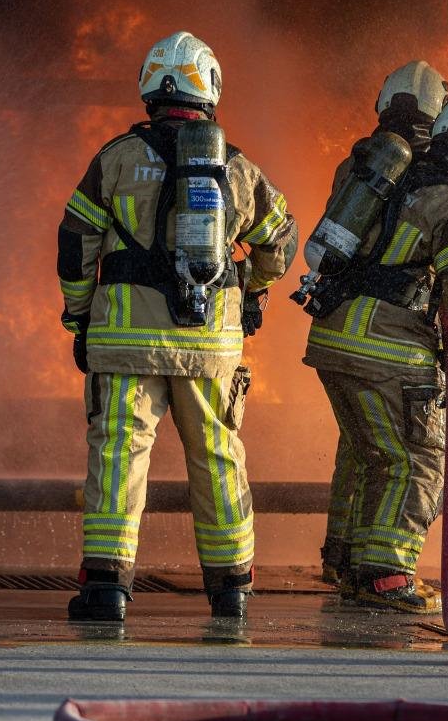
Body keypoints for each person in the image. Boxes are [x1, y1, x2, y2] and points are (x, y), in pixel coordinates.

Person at [56, 31, 298, 622]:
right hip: (208, 341)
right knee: (217, 453)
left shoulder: (113, 157)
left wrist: (78, 314)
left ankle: (106, 588)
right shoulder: (236, 168)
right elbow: (282, 241)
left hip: (124, 341)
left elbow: (74, 242)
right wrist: (254, 289)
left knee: (118, 454)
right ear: (210, 89)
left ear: (149, 87)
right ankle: (231, 588)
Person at [300, 67, 448, 614]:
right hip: (388, 346)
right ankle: (386, 573)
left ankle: (349, 561)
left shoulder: (369, 173)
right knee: (416, 458)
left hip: (334, 331)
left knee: (367, 451)